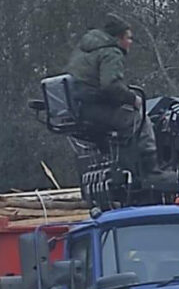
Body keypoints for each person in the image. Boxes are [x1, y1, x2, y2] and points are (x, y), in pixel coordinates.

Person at [66, 14, 167, 182]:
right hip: (94, 107)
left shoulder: (85, 50)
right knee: (139, 118)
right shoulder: (111, 52)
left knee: (124, 119)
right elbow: (111, 86)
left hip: (80, 107)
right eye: (129, 38)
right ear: (119, 38)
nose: (130, 42)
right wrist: (133, 99)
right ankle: (151, 171)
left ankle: (122, 164)